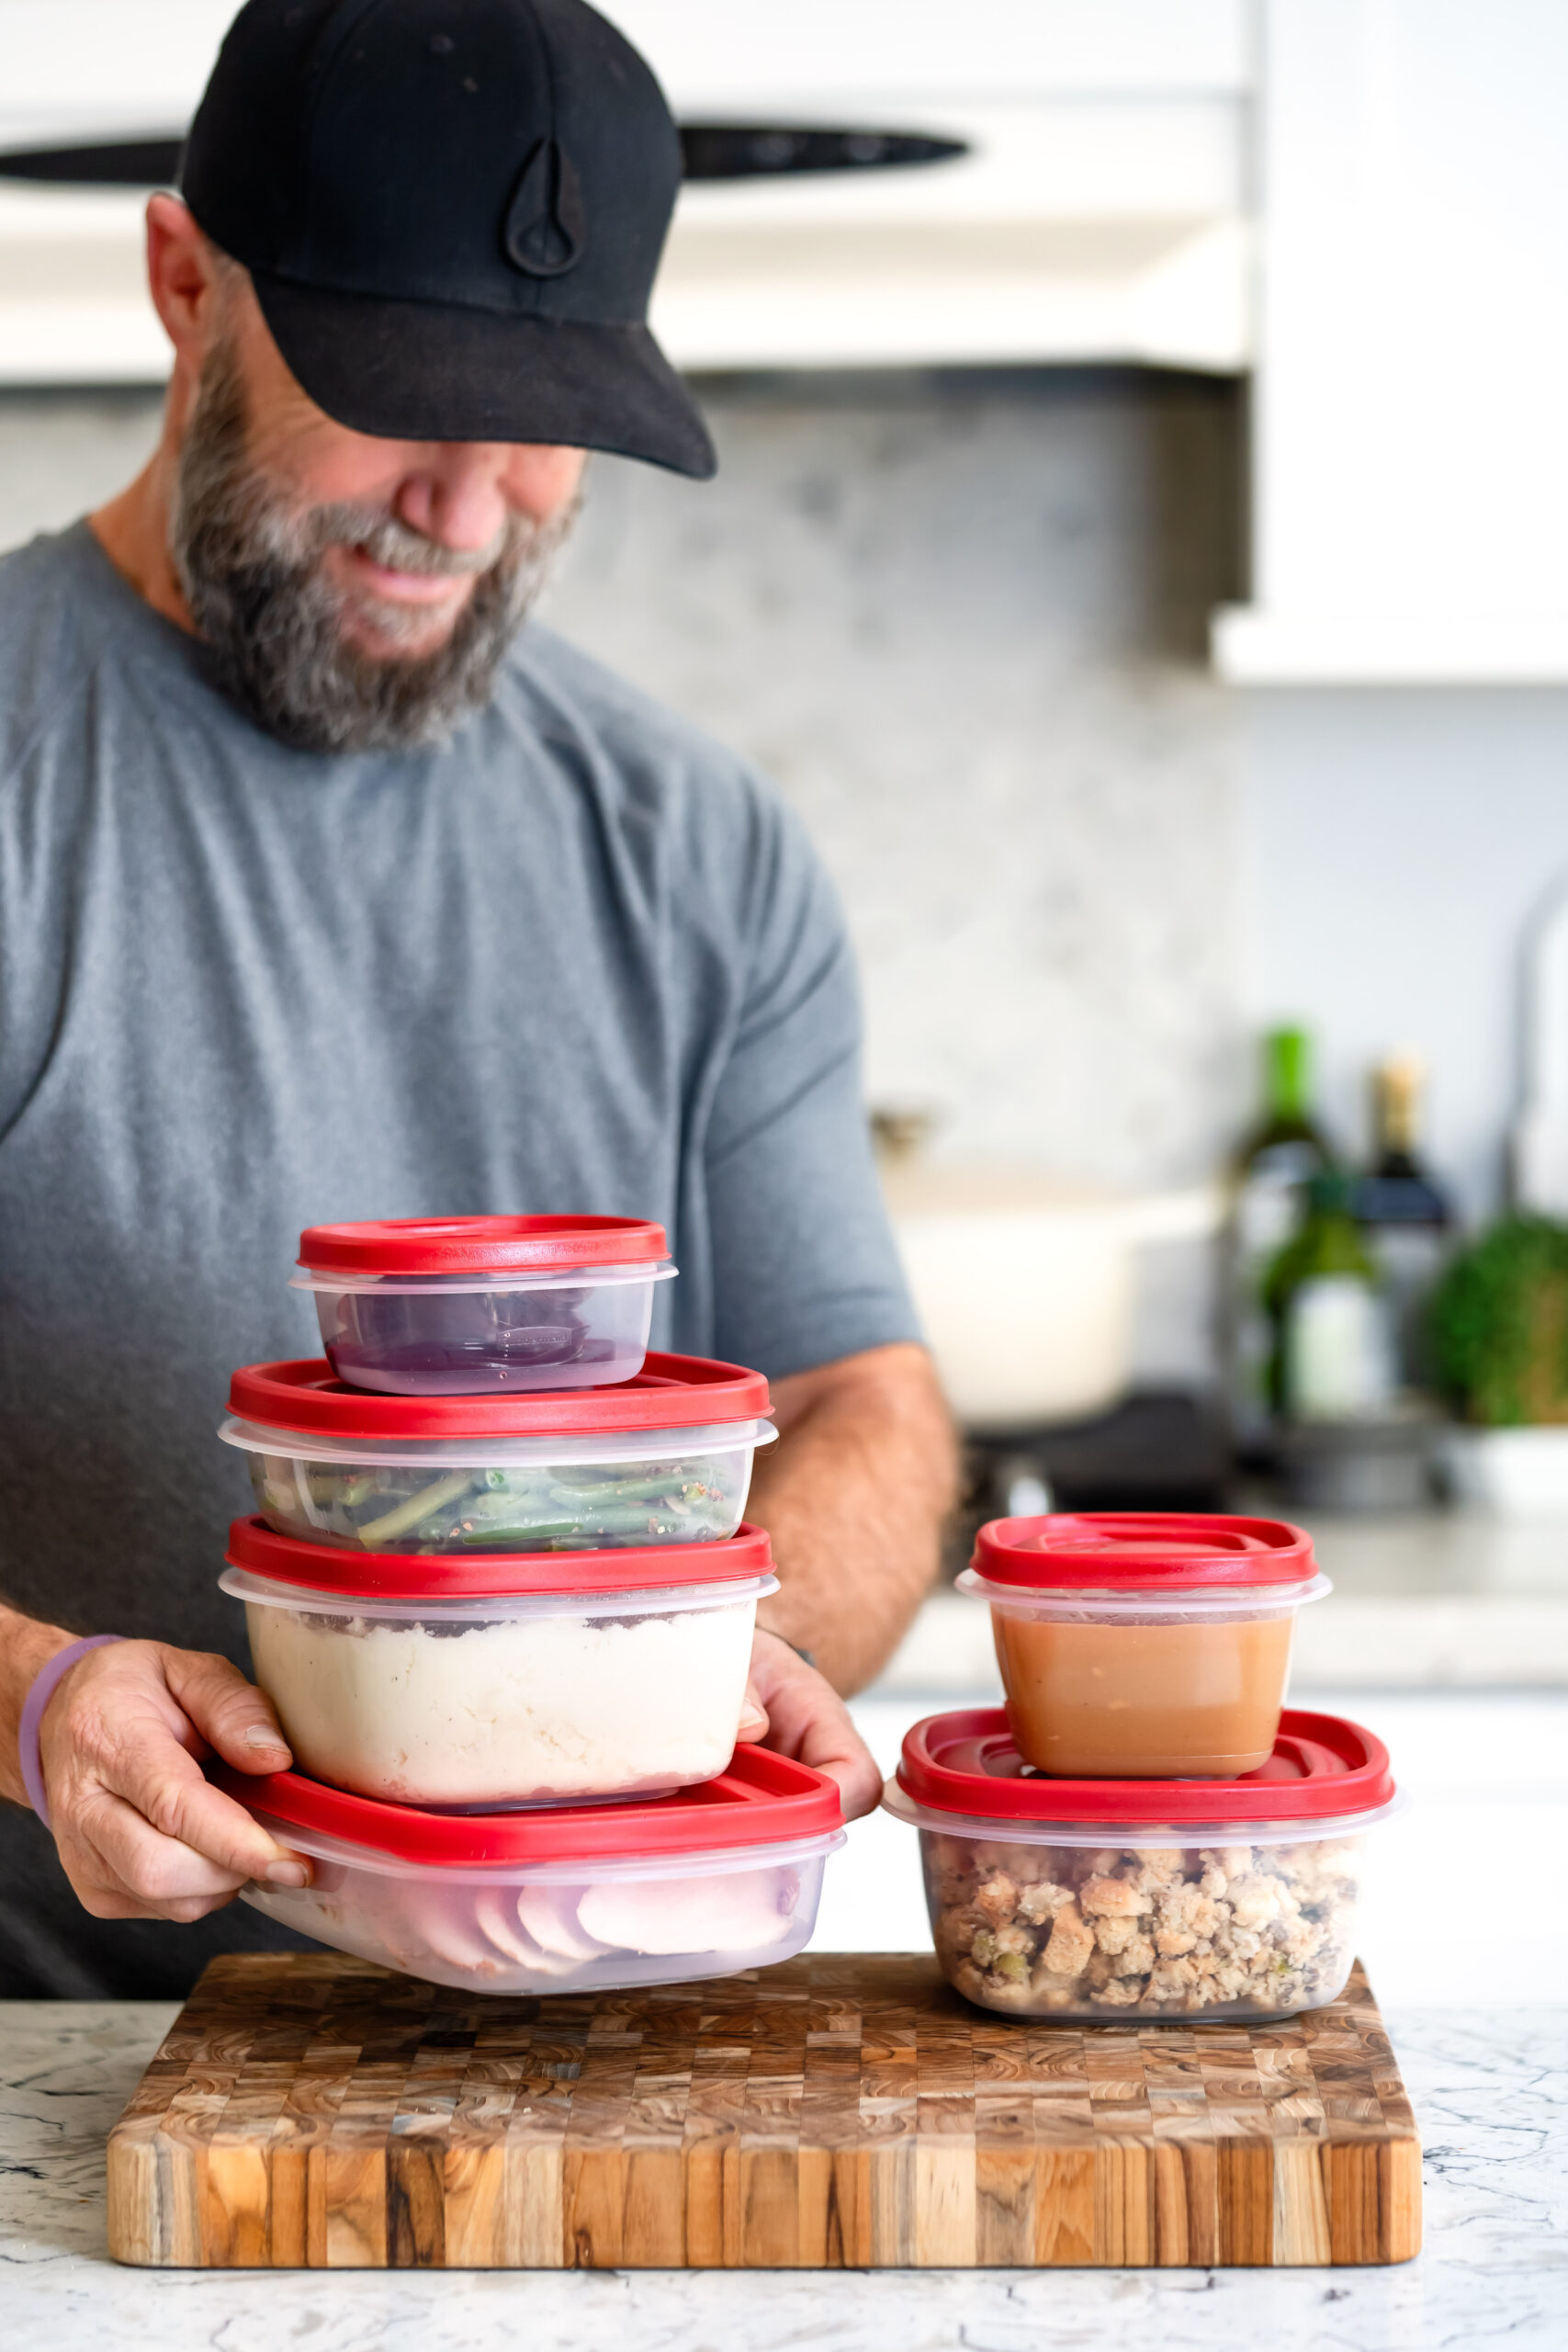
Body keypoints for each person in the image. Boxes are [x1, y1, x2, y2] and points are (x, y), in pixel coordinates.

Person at [0, 0, 956, 1998]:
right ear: (185, 284)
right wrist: (33, 1695)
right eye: (400, 392)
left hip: (598, 2060)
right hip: (54, 2074)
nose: (469, 498)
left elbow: (867, 1407)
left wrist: (706, 1630)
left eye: (544, 418)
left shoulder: (699, 849)